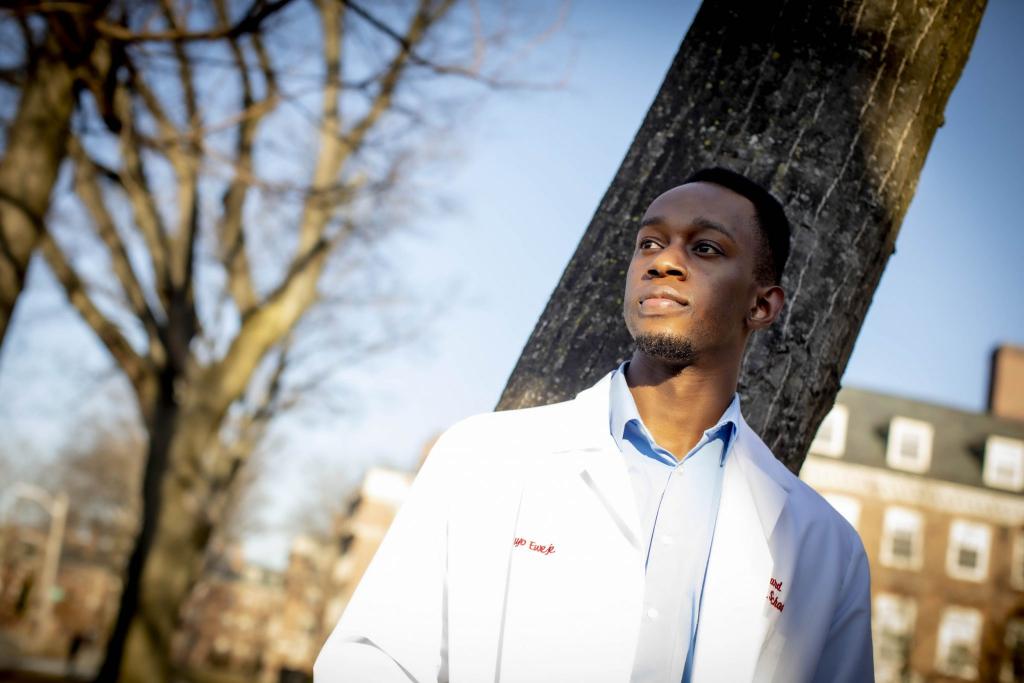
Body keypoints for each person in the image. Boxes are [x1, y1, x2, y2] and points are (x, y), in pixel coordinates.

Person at [314, 167, 873, 682]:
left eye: (705, 248)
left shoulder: (825, 548)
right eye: (650, 243)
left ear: (762, 306)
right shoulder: (482, 457)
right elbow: (371, 658)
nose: (663, 260)